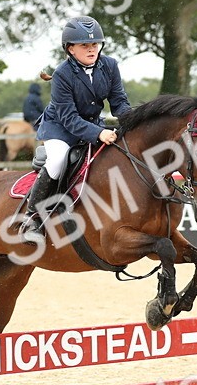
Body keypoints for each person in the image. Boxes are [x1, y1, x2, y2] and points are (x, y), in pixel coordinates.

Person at [21, 16, 131, 245]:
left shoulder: (109, 66)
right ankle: (32, 218)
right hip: (60, 128)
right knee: (58, 160)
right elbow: (68, 117)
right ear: (70, 49)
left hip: (92, 124)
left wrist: (132, 121)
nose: (92, 49)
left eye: (95, 44)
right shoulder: (62, 74)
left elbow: (119, 101)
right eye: (85, 45)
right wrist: (98, 134)